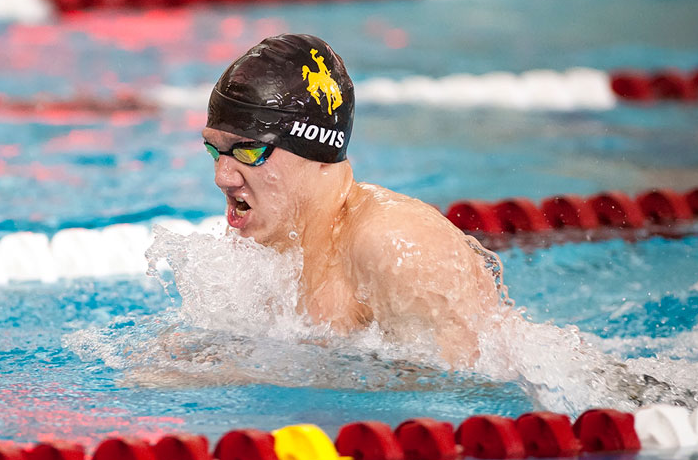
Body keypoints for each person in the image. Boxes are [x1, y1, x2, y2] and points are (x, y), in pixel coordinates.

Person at [203, 33, 506, 370]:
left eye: (250, 150)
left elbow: (461, 397)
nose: (223, 176)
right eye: (214, 149)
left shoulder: (395, 247)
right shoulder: (271, 247)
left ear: (317, 151)